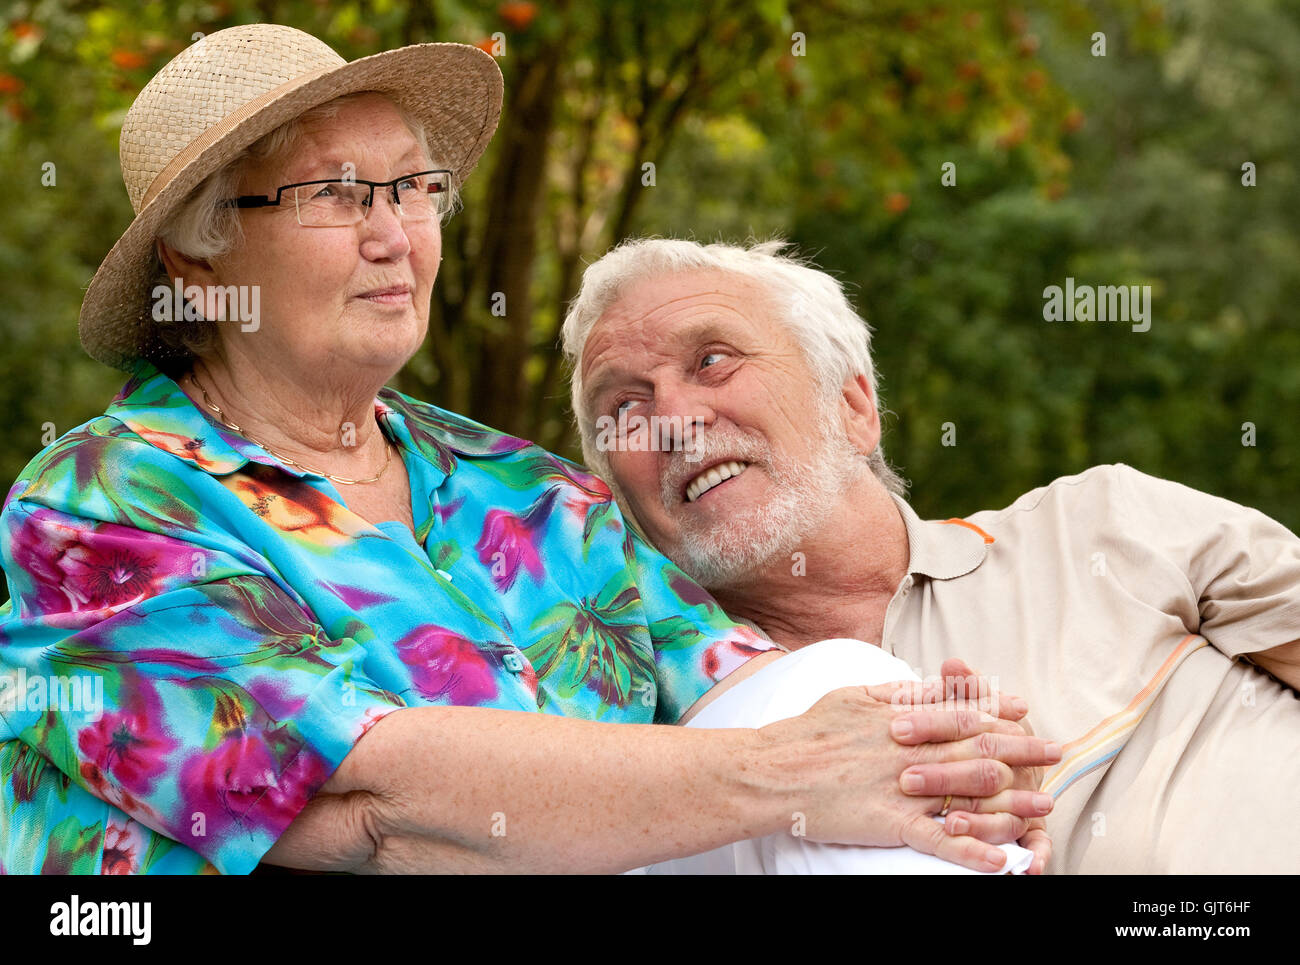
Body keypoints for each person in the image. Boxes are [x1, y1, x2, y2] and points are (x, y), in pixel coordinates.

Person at [0, 25, 1059, 875]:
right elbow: (383, 805)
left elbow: (756, 688)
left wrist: (948, 773)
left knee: (845, 690)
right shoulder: (100, 506)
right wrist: (782, 776)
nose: (395, 233)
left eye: (416, 187)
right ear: (198, 251)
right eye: (335, 193)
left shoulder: (527, 490)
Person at [562, 237, 1300, 874]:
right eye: (623, 409)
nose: (672, 422)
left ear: (853, 406)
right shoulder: (661, 748)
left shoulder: (1105, 526)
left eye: (713, 360)